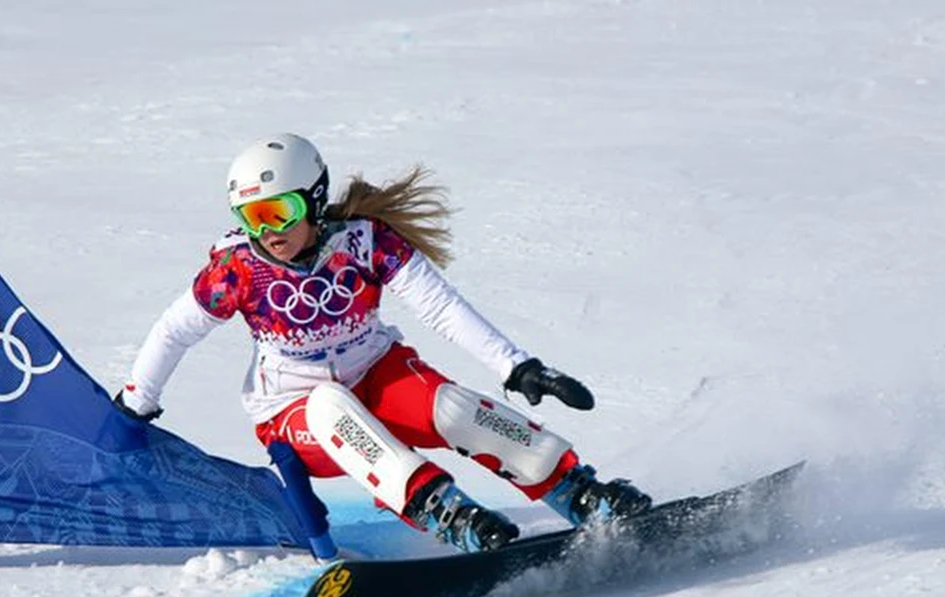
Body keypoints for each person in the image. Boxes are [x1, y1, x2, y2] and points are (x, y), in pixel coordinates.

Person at [115, 133, 652, 553]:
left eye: (280, 213)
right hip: (294, 415)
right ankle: (445, 511)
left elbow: (439, 306)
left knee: (451, 406)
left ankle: (579, 493)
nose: (268, 232)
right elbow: (174, 329)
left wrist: (518, 367)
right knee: (329, 405)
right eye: (252, 218)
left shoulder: (366, 243)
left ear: (314, 201)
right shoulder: (239, 269)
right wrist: (136, 403)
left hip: (377, 376)